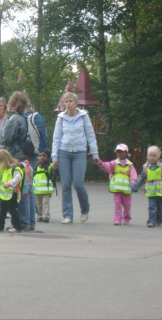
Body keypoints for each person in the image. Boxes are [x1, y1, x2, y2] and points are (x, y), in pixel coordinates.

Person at [51, 92, 99, 224]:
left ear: (76, 103)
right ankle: (68, 215)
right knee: (66, 184)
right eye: (66, 101)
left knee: (78, 183)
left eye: (71, 101)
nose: (68, 103)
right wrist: (54, 157)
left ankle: (85, 209)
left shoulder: (84, 117)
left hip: (79, 152)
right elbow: (56, 138)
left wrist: (95, 154)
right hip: (64, 152)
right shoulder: (61, 118)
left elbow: (90, 135)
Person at [2, 91, 42, 231]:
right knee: (28, 190)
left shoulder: (15, 119)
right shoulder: (30, 118)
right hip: (31, 157)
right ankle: (30, 223)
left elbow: (6, 138)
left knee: (21, 190)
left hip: (18, 157)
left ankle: (22, 223)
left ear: (12, 104)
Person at [131, 146, 162, 227]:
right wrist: (135, 187)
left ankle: (159, 220)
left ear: (158, 157)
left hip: (160, 192)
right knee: (152, 207)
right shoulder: (146, 168)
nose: (152, 157)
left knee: (159, 208)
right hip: (150, 193)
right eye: (150, 155)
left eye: (154, 156)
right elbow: (141, 179)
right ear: (147, 156)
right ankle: (151, 221)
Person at [97, 144, 137, 225]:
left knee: (127, 205)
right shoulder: (114, 163)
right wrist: (100, 163)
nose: (119, 153)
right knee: (117, 204)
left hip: (126, 189)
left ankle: (126, 218)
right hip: (116, 189)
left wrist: (133, 183)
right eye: (117, 151)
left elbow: (133, 175)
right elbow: (106, 166)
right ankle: (117, 219)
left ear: (126, 153)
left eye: (121, 151)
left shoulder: (130, 165)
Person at [0, 149, 24, 233]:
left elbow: (18, 178)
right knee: (3, 209)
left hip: (12, 193)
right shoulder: (7, 168)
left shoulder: (14, 168)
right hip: (6, 194)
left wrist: (9, 184)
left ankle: (17, 227)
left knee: (12, 210)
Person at [34, 150, 56, 223]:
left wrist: (54, 170)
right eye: (40, 156)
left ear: (48, 157)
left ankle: (46, 216)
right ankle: (39, 215)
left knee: (45, 203)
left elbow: (53, 175)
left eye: (44, 156)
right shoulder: (36, 166)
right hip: (37, 190)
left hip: (46, 190)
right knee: (38, 204)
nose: (42, 157)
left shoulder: (50, 166)